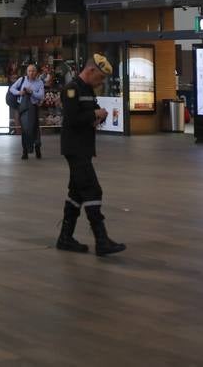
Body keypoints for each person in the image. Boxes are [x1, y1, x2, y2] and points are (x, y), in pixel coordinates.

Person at [56, 55, 126, 257]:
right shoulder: (71, 89)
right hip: (74, 148)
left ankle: (65, 238)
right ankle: (102, 240)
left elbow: (88, 115)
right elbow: (72, 119)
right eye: (101, 77)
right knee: (93, 190)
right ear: (91, 70)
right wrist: (95, 115)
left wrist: (98, 117)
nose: (101, 82)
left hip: (84, 148)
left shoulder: (87, 90)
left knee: (76, 193)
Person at [9, 62, 46, 159]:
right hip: (23, 108)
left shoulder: (40, 82)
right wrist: (19, 92)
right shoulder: (22, 80)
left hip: (34, 108)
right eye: (29, 71)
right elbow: (12, 88)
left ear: (36, 72)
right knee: (25, 129)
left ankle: (37, 147)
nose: (31, 73)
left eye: (33, 71)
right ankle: (25, 151)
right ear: (27, 72)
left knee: (35, 128)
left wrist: (32, 92)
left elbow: (41, 95)